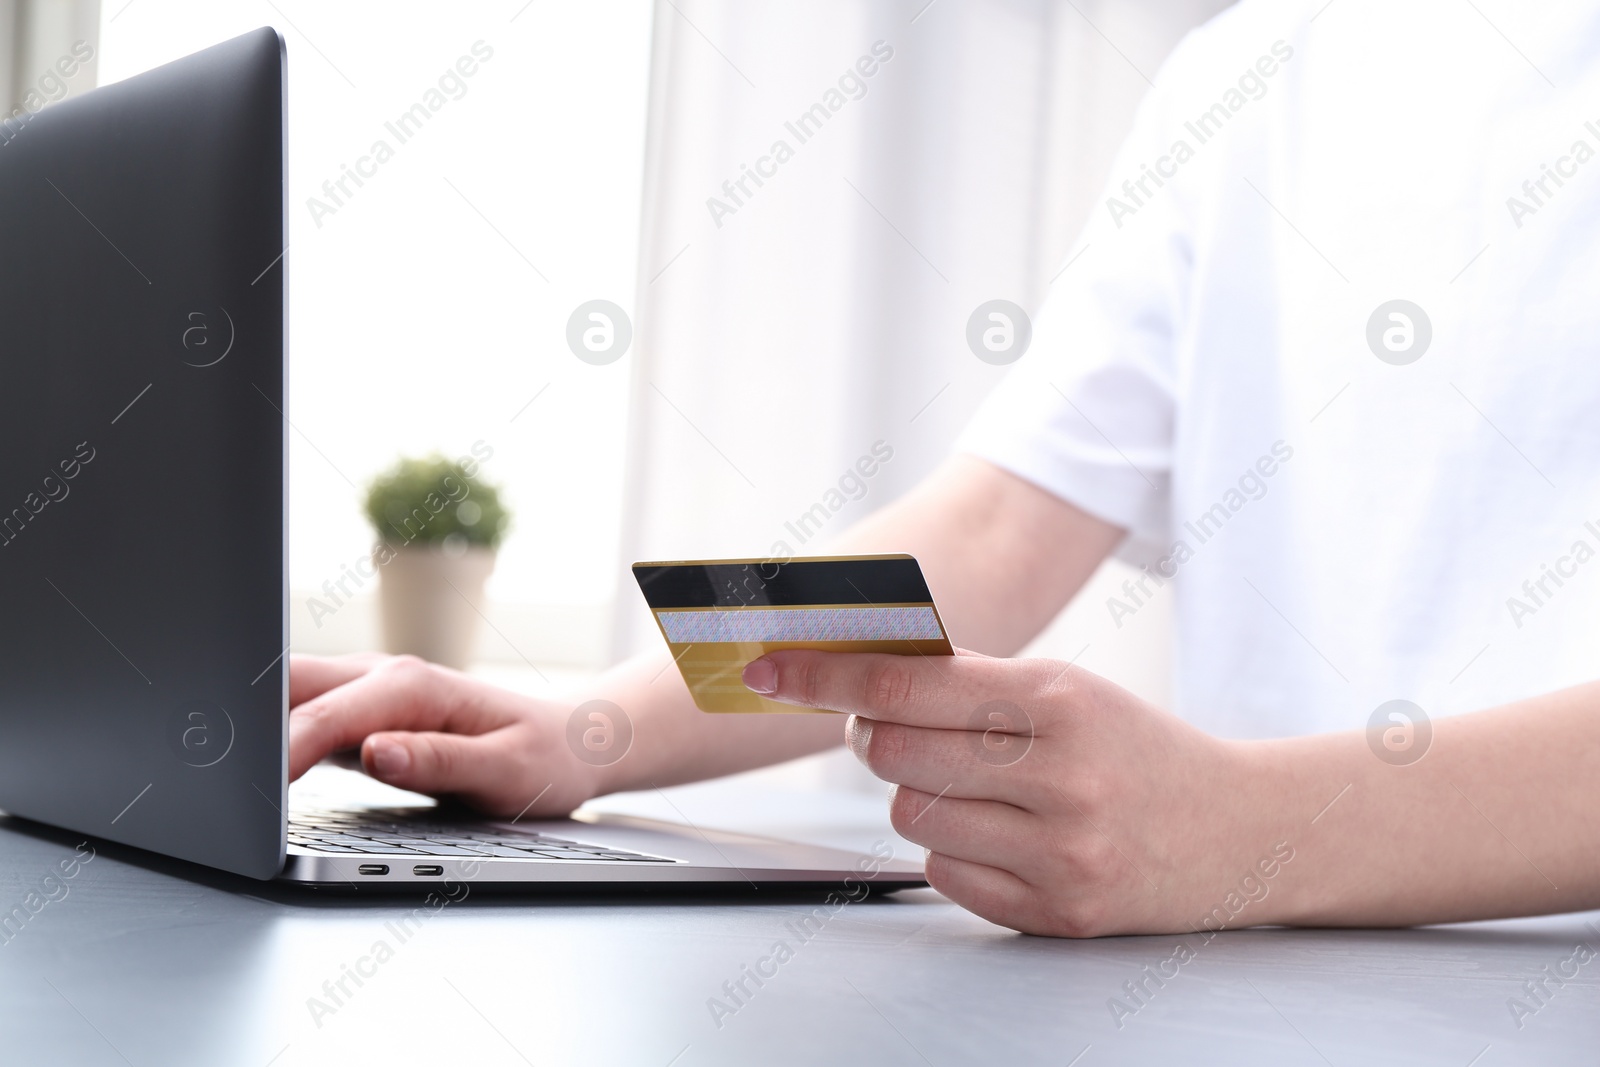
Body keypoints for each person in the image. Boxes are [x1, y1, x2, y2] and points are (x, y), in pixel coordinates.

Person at [289, 0, 1600, 937]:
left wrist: (1240, 830)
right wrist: (599, 729)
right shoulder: (1251, 66)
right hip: (1252, 992)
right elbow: (989, 525)